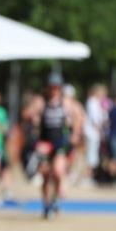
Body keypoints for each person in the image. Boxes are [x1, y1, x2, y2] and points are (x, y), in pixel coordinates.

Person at [37, 73, 75, 218]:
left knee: (58, 172)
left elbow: (79, 116)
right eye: (51, 88)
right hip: (45, 143)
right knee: (46, 175)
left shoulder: (66, 103)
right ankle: (46, 205)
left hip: (60, 143)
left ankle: (55, 199)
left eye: (57, 88)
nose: (54, 91)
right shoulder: (41, 102)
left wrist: (75, 133)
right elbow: (27, 114)